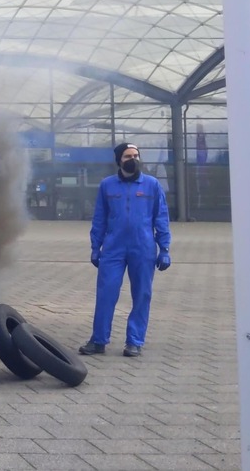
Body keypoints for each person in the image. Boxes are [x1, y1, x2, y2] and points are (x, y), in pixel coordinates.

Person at [80, 142, 172, 358]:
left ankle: (134, 341)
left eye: (136, 155)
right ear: (119, 160)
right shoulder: (107, 186)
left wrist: (164, 248)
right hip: (113, 248)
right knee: (106, 294)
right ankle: (98, 340)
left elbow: (161, 217)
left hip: (143, 247)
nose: (133, 159)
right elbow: (99, 218)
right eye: (128, 156)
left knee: (142, 294)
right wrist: (96, 247)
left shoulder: (151, 185)